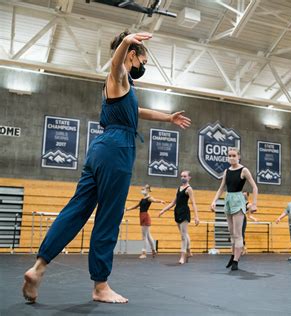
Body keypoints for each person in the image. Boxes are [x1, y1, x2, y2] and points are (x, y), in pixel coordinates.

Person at [22, 31, 191, 304]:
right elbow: (116, 65)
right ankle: (100, 285)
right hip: (117, 150)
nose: (143, 65)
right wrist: (126, 42)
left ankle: (37, 268)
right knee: (109, 217)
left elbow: (137, 111)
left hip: (100, 148)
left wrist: (167, 117)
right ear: (132, 55)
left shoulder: (124, 89)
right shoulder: (119, 74)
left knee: (76, 209)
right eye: (143, 58)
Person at [211, 148, 258, 271]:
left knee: (238, 234)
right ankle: (233, 256)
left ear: (238, 157)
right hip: (228, 200)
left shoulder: (244, 170)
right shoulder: (227, 171)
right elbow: (221, 188)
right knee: (231, 232)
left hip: (238, 200)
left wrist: (254, 204)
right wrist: (214, 200)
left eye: (233, 155)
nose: (231, 157)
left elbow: (254, 187)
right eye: (229, 155)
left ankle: (236, 260)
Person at [159, 170, 199, 264]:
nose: (183, 178)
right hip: (177, 211)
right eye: (181, 176)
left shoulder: (189, 189)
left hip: (184, 212)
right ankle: (189, 250)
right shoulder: (179, 188)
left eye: (185, 176)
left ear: (189, 178)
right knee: (184, 234)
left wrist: (196, 217)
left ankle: (182, 256)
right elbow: (173, 202)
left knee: (183, 236)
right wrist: (163, 210)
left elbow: (193, 203)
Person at [125, 184, 164, 259]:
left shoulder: (149, 198)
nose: (142, 190)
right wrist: (127, 209)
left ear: (148, 190)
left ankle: (144, 253)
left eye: (144, 189)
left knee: (144, 236)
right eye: (142, 189)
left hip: (145, 216)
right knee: (148, 235)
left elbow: (154, 200)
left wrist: (160, 201)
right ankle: (154, 250)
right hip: (142, 216)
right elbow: (136, 206)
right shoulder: (142, 199)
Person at [241, 191, 258, 255]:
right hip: (237, 218)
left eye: (245, 195)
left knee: (241, 234)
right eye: (242, 195)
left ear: (247, 196)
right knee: (237, 234)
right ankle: (239, 248)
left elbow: (249, 215)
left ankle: (243, 248)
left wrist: (254, 219)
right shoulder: (239, 203)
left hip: (243, 219)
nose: (243, 197)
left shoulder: (249, 204)